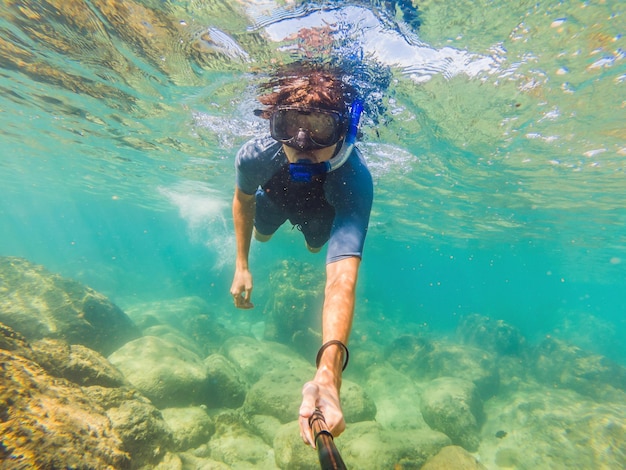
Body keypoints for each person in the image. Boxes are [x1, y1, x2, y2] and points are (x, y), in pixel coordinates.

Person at [229, 64, 373, 448]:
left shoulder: (355, 180)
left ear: (345, 130)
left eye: (321, 128)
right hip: (272, 202)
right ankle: (264, 240)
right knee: (261, 236)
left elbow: (342, 278)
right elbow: (243, 199)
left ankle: (305, 239)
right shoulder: (255, 157)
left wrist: (329, 375)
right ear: (273, 124)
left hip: (321, 215)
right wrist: (241, 265)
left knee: (315, 248)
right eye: (289, 125)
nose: (302, 143)